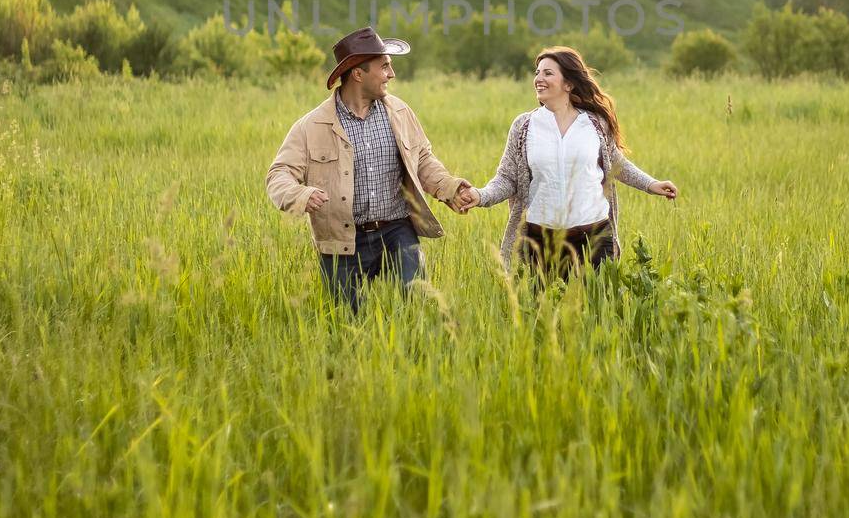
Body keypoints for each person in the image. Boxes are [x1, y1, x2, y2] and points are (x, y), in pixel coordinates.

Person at [266, 25, 473, 310]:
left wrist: (449, 188)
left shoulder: (399, 112)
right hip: (342, 240)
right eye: (384, 66)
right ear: (358, 73)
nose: (392, 74)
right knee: (348, 321)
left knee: (419, 307)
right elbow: (278, 175)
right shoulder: (311, 126)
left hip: (397, 230)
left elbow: (423, 159)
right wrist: (301, 195)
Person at [458, 46, 677, 281]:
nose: (538, 79)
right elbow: (507, 178)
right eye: (537, 72)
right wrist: (480, 196)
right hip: (541, 240)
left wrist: (651, 184)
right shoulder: (524, 126)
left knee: (594, 311)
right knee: (544, 313)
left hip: (594, 238)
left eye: (548, 73)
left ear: (568, 84)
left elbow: (615, 162)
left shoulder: (595, 124)